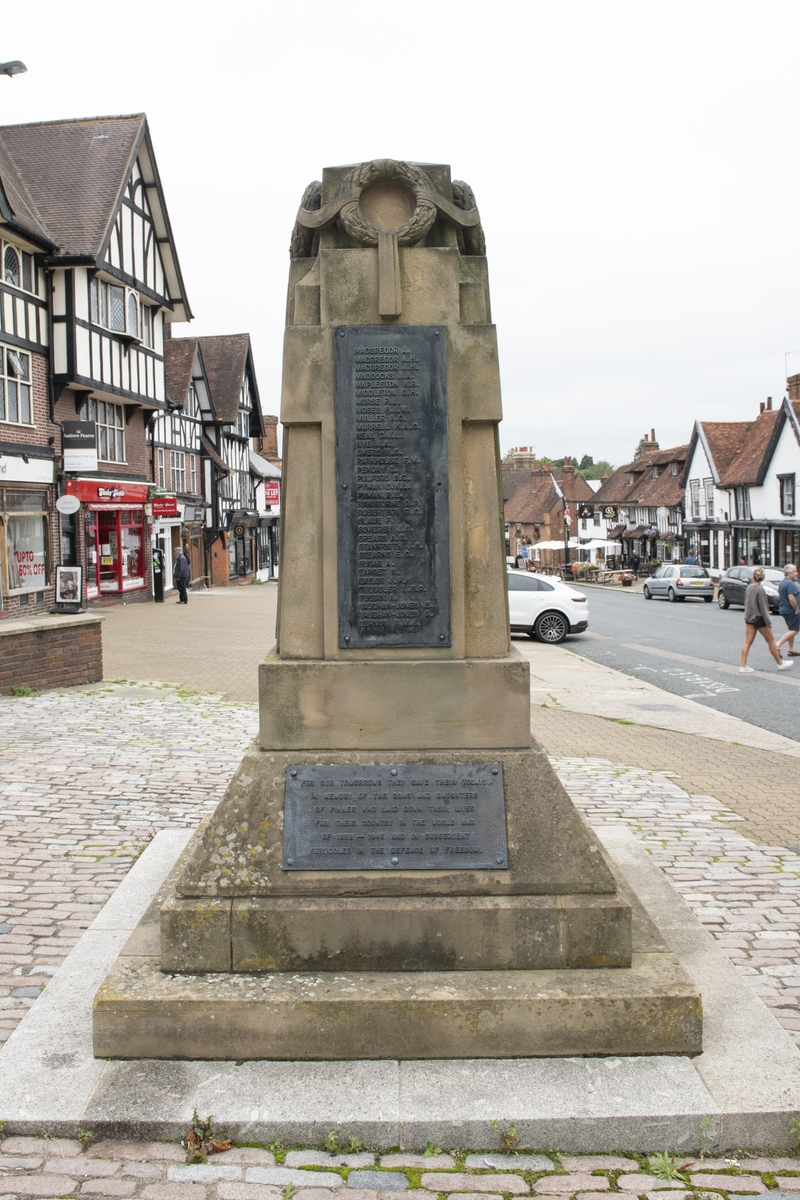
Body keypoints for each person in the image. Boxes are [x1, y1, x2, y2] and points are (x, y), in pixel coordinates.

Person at [740, 567, 793, 672]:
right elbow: (764, 608)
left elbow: (746, 603)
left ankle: (743, 666)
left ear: (753, 577)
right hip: (760, 619)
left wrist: (746, 616)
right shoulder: (760, 590)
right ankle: (780, 663)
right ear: (762, 578)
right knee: (771, 641)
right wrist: (768, 622)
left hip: (749, 618)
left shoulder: (749, 588)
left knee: (747, 642)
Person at [776, 563, 800, 658]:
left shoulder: (783, 582)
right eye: (795, 571)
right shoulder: (790, 584)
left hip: (783, 608)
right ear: (789, 573)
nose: (796, 573)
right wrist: (796, 609)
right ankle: (777, 645)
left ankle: (791, 649)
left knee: (791, 628)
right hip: (790, 610)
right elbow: (791, 598)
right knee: (794, 630)